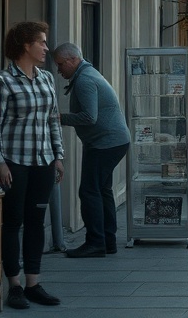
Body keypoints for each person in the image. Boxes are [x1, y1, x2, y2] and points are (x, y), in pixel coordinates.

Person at [0, 21, 64, 310]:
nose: (46, 48)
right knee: (12, 222)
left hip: (43, 161)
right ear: (25, 46)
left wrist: (58, 156)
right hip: (14, 162)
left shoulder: (46, 79)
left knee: (36, 222)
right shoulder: (3, 82)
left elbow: (53, 120)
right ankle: (14, 285)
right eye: (41, 42)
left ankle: (33, 284)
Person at [52, 42, 130, 259]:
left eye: (60, 64)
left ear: (73, 60)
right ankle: (107, 241)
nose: (58, 70)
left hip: (104, 143)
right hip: (112, 141)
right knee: (102, 189)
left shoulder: (84, 80)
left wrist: (59, 118)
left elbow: (89, 117)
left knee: (89, 191)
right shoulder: (88, 73)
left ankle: (95, 243)